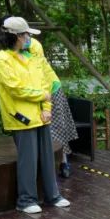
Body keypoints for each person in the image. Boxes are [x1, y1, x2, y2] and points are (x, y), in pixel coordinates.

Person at [0, 17, 69, 214]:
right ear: (16, 36)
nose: (28, 38)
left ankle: (53, 195)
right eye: (25, 34)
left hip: (41, 114)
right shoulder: (1, 59)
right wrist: (41, 96)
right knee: (28, 159)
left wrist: (47, 108)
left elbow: (45, 83)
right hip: (21, 117)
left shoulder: (33, 57)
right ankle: (26, 200)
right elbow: (15, 89)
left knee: (47, 157)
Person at [27, 37, 79, 178]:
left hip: (50, 88)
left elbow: (35, 69)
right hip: (31, 92)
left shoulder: (33, 44)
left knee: (56, 127)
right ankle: (44, 165)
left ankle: (63, 162)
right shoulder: (9, 49)